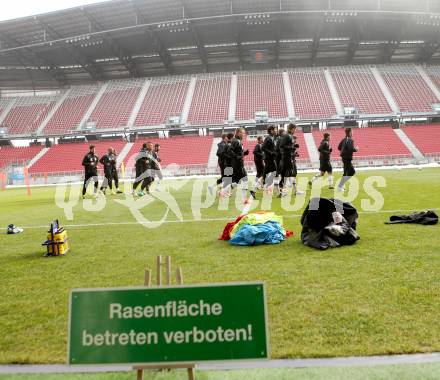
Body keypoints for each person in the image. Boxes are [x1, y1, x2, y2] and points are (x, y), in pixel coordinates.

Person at [220, 127, 249, 201]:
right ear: (238, 133)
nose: (244, 134)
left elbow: (238, 152)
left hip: (238, 164)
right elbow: (230, 150)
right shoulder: (235, 141)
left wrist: (244, 153)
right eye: (243, 133)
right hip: (238, 164)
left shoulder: (238, 141)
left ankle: (224, 191)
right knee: (245, 179)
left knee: (237, 181)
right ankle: (244, 199)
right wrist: (237, 157)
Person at [279, 124, 304, 197]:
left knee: (291, 174)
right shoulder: (287, 136)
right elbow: (282, 145)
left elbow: (289, 147)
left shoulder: (290, 136)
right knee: (286, 175)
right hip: (287, 158)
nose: (295, 130)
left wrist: (294, 147)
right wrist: (291, 147)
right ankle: (282, 191)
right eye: (294, 129)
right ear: (291, 129)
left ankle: (295, 190)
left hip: (290, 157)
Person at [262, 125, 277, 193]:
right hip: (268, 158)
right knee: (274, 172)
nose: (276, 131)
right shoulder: (268, 138)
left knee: (265, 173)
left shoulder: (272, 137)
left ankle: (255, 188)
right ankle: (279, 191)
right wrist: (271, 153)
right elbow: (263, 148)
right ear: (271, 131)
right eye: (274, 130)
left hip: (269, 158)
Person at [274, 128, 286, 194]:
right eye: (284, 132)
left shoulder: (279, 139)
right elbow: (280, 149)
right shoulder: (280, 139)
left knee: (280, 175)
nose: (285, 132)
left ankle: (280, 190)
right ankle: (279, 191)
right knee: (279, 175)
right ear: (282, 133)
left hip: (278, 159)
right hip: (279, 159)